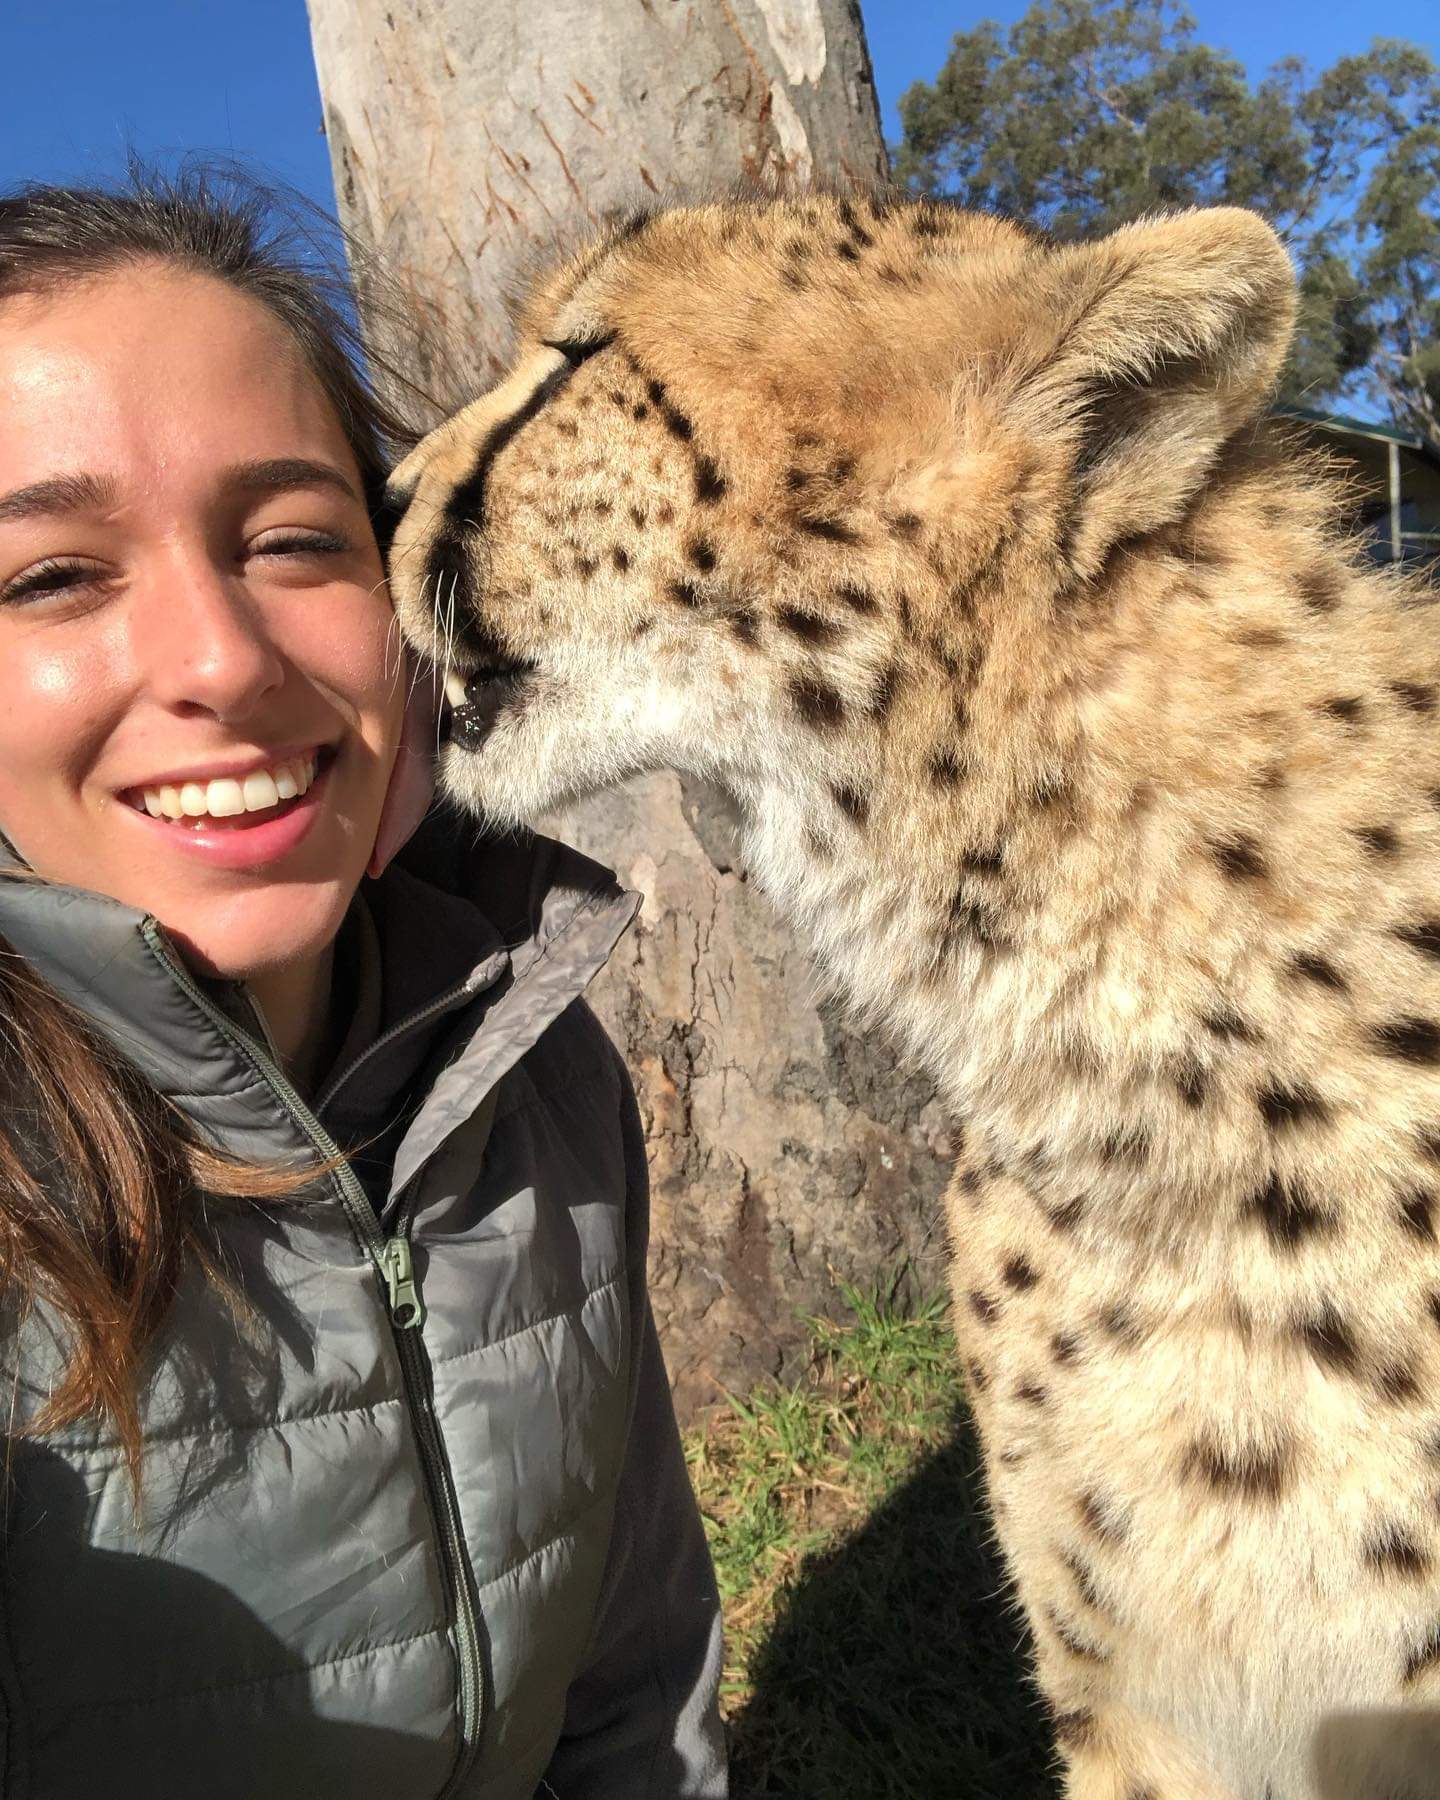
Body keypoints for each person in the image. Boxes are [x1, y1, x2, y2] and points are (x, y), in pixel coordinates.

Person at [0, 168, 727, 1800]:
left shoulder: (536, 1072)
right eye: (50, 575)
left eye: (293, 540)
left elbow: (638, 1676)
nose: (225, 661)